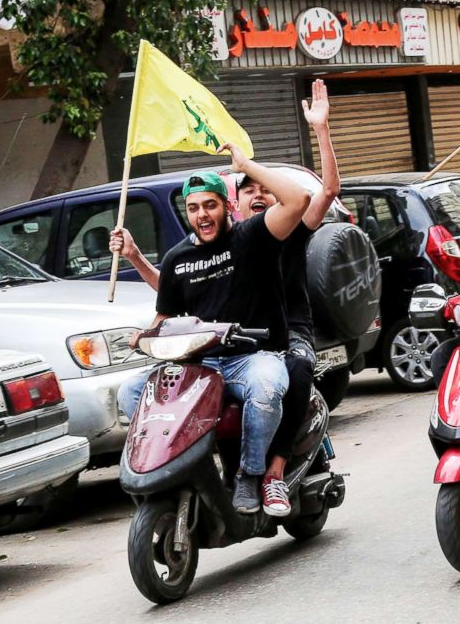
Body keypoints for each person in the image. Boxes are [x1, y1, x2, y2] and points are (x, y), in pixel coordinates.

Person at [112, 79, 339, 518]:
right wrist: (139, 275)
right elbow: (173, 301)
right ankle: (171, 467)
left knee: (286, 375)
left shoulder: (261, 237)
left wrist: (258, 158)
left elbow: (317, 194)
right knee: (132, 394)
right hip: (204, 355)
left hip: (271, 338)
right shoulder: (181, 256)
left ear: (226, 208)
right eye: (194, 208)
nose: (202, 214)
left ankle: (262, 474)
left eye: (210, 205)